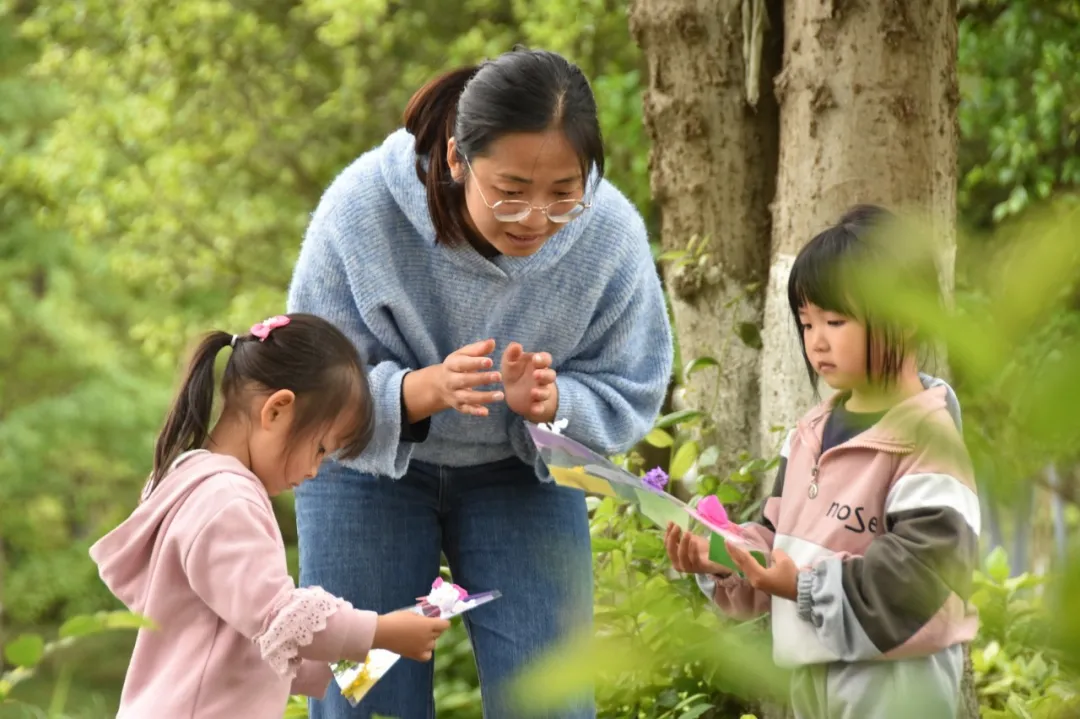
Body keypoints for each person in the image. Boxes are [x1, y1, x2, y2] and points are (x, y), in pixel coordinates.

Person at [287, 48, 672, 718]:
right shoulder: (363, 208)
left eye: (563, 194)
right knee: (364, 696)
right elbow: (309, 377)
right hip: (364, 471)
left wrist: (552, 404)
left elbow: (632, 382)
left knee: (551, 700)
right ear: (457, 158)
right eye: (511, 191)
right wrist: (419, 391)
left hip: (521, 475)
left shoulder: (609, 236)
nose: (535, 218)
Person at [665, 206, 981, 718]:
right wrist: (722, 556)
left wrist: (802, 586)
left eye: (835, 321)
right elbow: (778, 543)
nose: (816, 340)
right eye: (807, 322)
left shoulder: (927, 441)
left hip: (895, 680)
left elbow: (924, 577)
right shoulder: (809, 434)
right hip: (813, 673)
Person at [89, 313, 451, 719]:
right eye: (320, 448)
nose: (314, 471)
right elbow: (280, 618)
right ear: (277, 409)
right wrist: (381, 632)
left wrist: (364, 645)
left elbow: (254, 636)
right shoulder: (228, 501)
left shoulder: (194, 481)